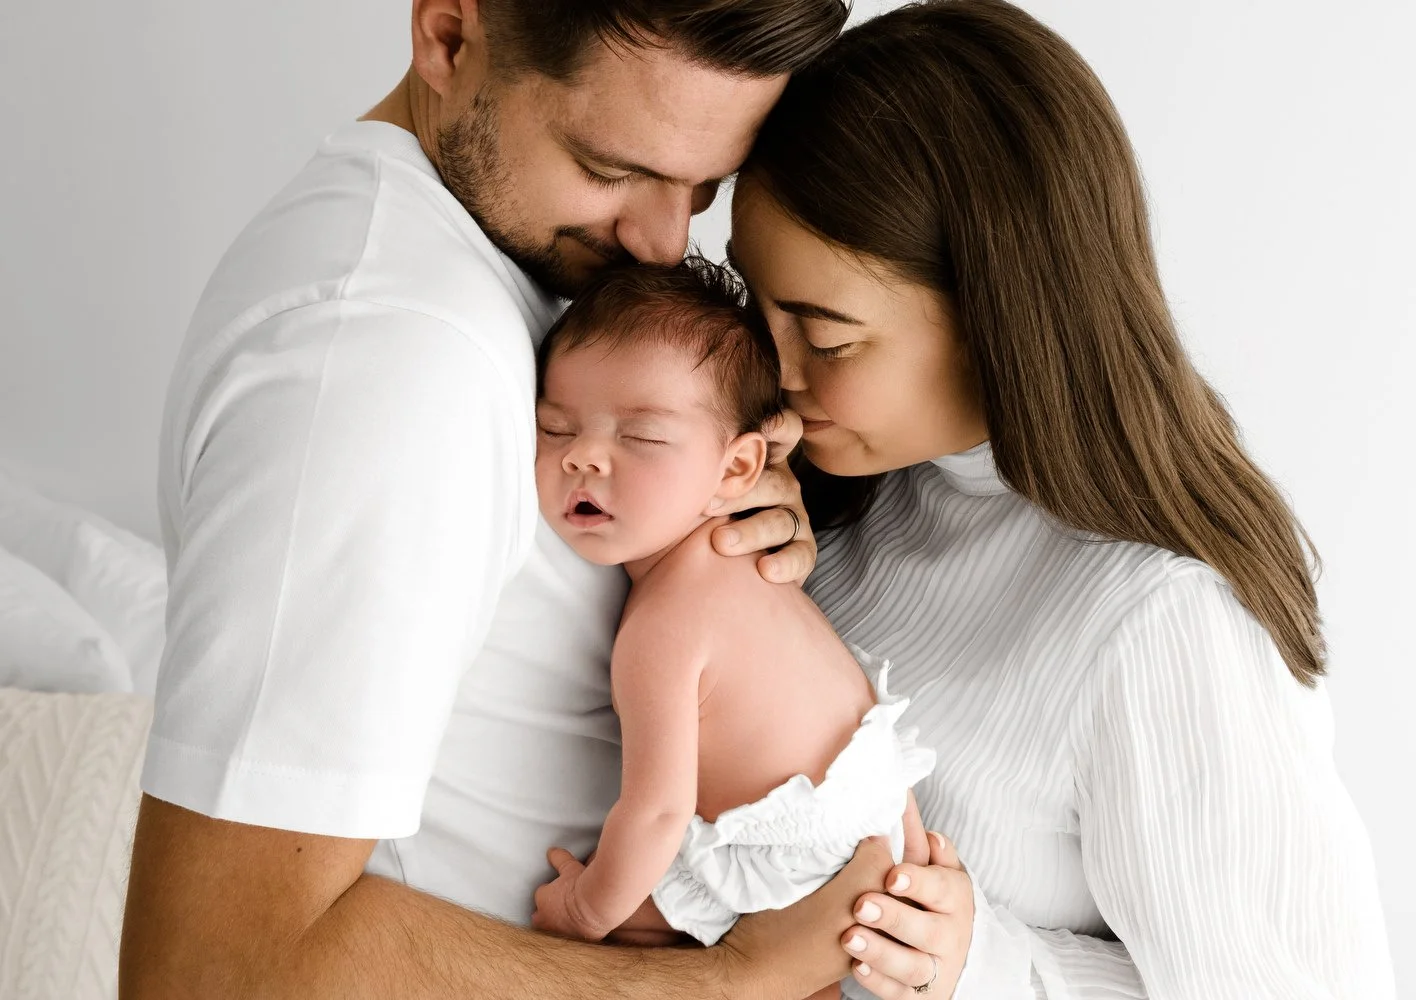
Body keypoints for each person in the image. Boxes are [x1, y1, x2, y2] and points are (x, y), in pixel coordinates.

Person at [118, 3, 884, 998]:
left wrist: (706, 513)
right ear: (445, 36)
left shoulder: (514, 279)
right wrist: (730, 984)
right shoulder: (389, 355)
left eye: (703, 187)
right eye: (616, 170)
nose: (661, 241)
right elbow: (211, 970)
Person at [726, 2, 1398, 997]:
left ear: (994, 309)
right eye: (757, 304)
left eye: (825, 338)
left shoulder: (1162, 621)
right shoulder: (837, 499)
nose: (776, 372)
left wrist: (986, 966)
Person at [525, 260, 934, 1000]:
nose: (583, 455)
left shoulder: (665, 624)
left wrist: (583, 912)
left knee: (638, 924)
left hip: (804, 850)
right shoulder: (741, 563)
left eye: (642, 438)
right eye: (555, 428)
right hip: (873, 807)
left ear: (736, 467)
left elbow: (655, 811)